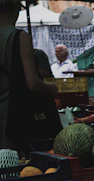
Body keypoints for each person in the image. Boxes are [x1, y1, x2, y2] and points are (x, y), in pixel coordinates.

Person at [0, 0, 58, 151]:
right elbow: (33, 84)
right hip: (11, 115)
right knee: (14, 164)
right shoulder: (19, 37)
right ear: (17, 11)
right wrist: (52, 89)